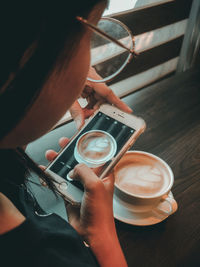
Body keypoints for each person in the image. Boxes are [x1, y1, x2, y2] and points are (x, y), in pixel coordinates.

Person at [0, 1, 131, 266]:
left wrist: (45, 77)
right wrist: (102, 237)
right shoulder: (44, 255)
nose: (90, 72)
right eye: (90, 34)